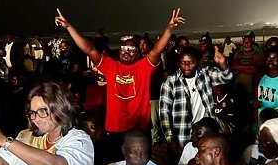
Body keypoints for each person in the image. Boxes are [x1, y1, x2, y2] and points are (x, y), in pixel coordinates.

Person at [55, 8, 185, 137]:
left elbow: (156, 50)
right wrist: (68, 26)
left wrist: (169, 29)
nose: (126, 51)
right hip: (115, 128)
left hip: (139, 128)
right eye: (124, 47)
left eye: (131, 49)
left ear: (138, 54)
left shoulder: (144, 67)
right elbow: (89, 49)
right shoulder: (110, 66)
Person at [159, 45, 232, 153]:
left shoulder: (206, 74)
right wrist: (170, 139)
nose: (186, 66)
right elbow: (164, 112)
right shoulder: (171, 82)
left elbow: (226, 77)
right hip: (182, 135)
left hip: (205, 132)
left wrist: (222, 64)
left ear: (197, 61)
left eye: (190, 62)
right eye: (183, 62)